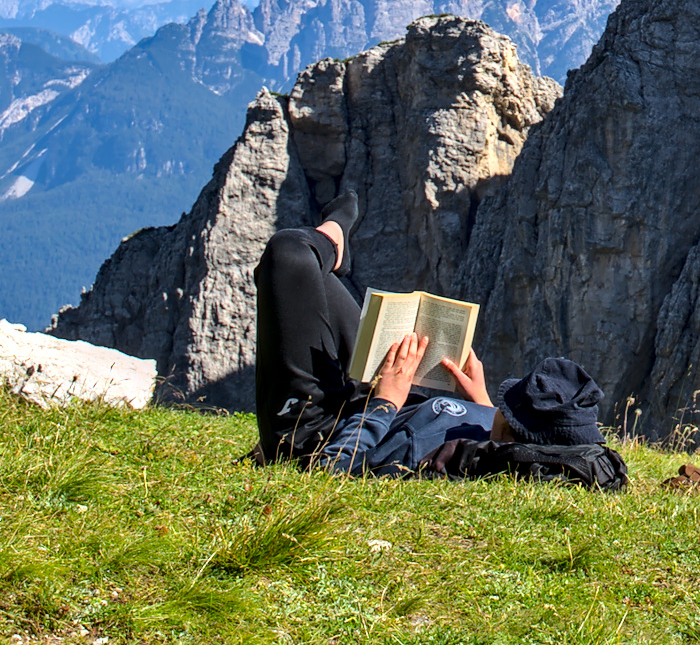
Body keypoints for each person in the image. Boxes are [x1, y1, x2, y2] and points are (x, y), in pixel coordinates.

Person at [253, 193, 623, 486]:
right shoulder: (496, 443)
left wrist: (385, 403)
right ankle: (331, 248)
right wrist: (480, 402)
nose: (500, 414)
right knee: (309, 283)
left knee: (290, 256)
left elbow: (331, 474)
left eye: (509, 416)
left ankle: (333, 241)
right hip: (367, 394)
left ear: (517, 441)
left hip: (317, 431)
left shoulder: (447, 461)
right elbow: (506, 436)